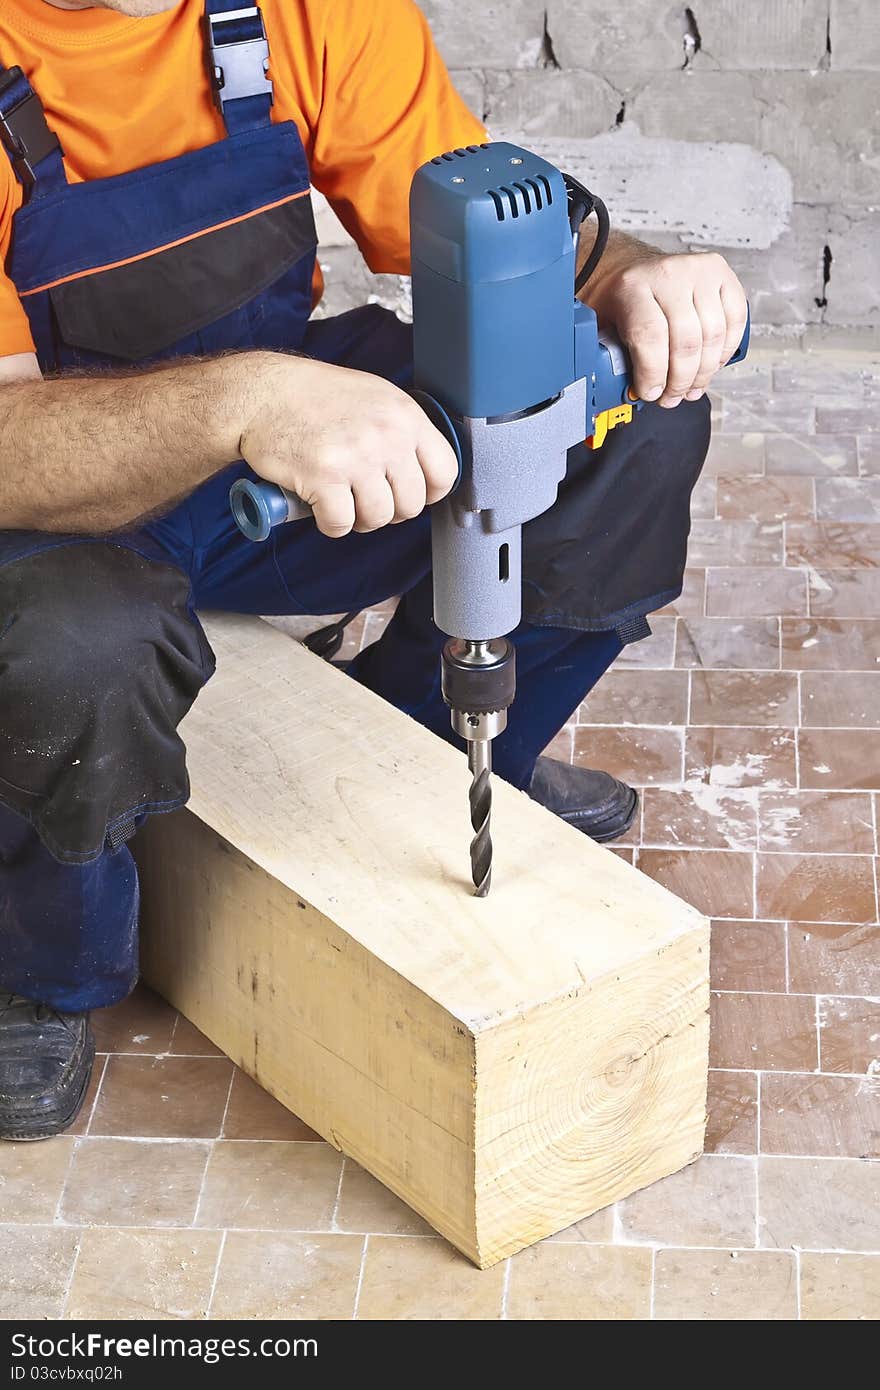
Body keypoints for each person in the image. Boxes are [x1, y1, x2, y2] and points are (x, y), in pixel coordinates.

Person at [0, 0, 747, 1140]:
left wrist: (627, 279)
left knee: (611, 432)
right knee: (75, 649)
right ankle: (41, 960)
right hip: (52, 488)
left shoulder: (297, 10)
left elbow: (473, 216)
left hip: (277, 435)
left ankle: (436, 748)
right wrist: (243, 404)